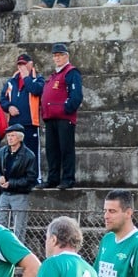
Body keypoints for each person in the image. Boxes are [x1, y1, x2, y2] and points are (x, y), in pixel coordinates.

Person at [40, 43, 83, 190]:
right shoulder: (54, 75)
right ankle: (53, 179)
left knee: (66, 149)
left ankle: (68, 179)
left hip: (64, 117)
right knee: (52, 150)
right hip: (51, 118)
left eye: (60, 55)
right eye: (55, 55)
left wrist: (65, 109)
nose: (57, 58)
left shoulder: (71, 72)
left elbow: (76, 96)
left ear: (66, 56)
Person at [0, 53, 44, 182]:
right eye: (19, 64)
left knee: (32, 153)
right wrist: (9, 107)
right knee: (14, 152)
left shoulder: (38, 79)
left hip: (31, 123)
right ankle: (16, 179)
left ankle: (35, 179)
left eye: (24, 64)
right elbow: (2, 99)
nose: (21, 67)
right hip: (14, 123)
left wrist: (26, 77)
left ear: (31, 64)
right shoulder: (11, 82)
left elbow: (36, 90)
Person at [0, 123, 38, 243]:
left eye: (12, 136)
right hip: (5, 194)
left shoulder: (29, 155)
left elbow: (31, 179)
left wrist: (11, 183)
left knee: (19, 227)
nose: (10, 138)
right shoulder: (3, 151)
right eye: (8, 136)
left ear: (19, 138)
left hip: (20, 195)